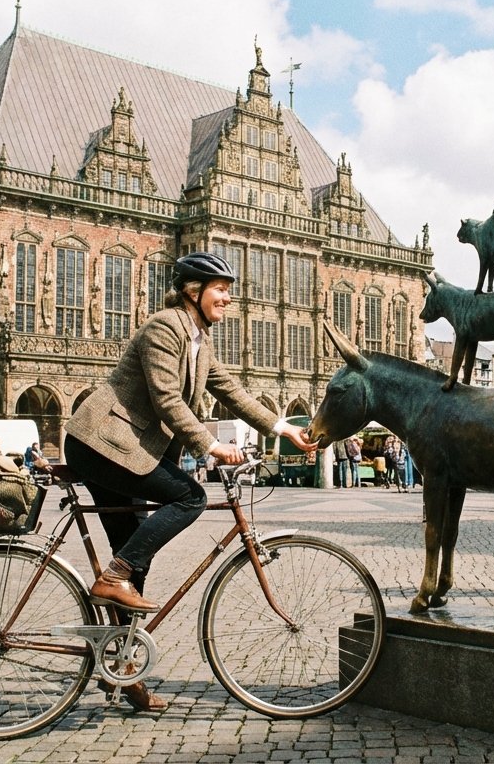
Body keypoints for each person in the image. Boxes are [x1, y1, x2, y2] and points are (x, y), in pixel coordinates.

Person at [62, 251, 314, 713]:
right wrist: (209, 445)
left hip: (126, 450)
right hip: (101, 442)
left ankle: (120, 669)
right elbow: (165, 399)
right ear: (191, 291)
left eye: (229, 290)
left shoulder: (200, 340)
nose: (228, 298)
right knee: (191, 496)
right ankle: (113, 579)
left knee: (136, 562)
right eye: (220, 288)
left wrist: (284, 429)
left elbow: (233, 392)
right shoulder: (165, 327)